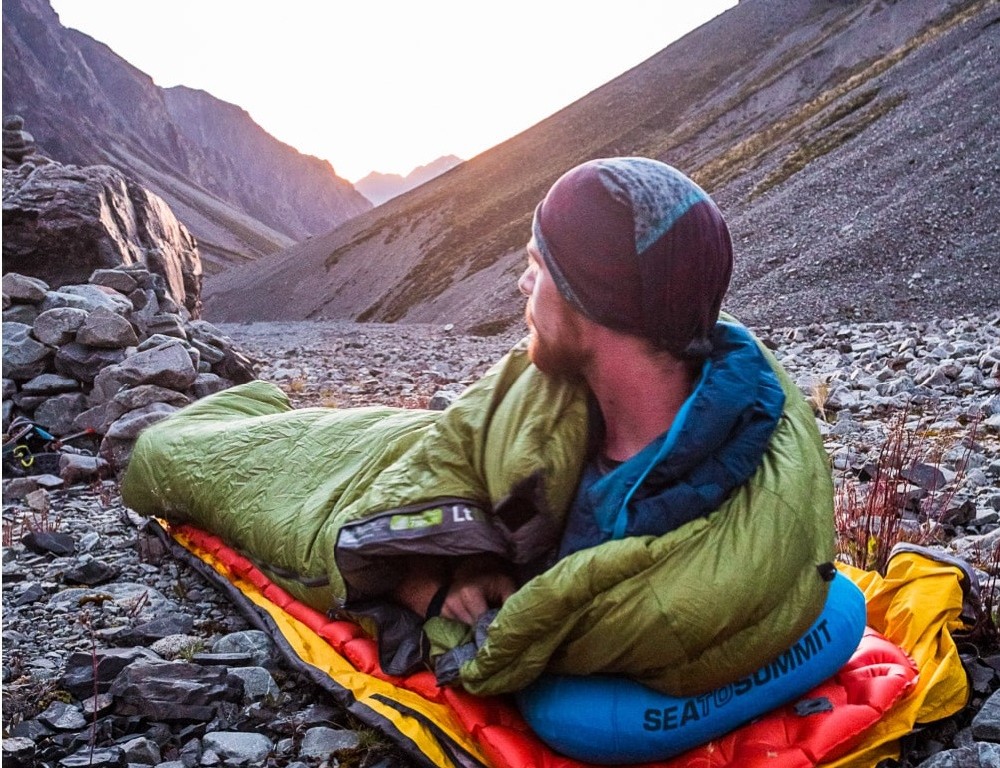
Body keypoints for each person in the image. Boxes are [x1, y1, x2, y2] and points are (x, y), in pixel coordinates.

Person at [391, 156, 805, 630]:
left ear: (591, 297)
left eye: (538, 266)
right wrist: (470, 561)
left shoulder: (710, 496)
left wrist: (419, 591)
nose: (521, 283)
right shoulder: (562, 413)